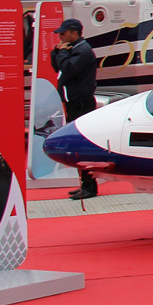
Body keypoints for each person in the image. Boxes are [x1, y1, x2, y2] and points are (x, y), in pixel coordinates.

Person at [49, 18, 99, 200]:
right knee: (77, 145)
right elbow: (57, 67)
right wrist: (57, 52)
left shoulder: (83, 51)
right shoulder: (73, 49)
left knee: (82, 145)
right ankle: (84, 183)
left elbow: (68, 69)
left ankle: (89, 186)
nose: (60, 37)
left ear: (74, 33)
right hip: (73, 102)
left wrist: (62, 54)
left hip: (81, 103)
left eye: (63, 34)